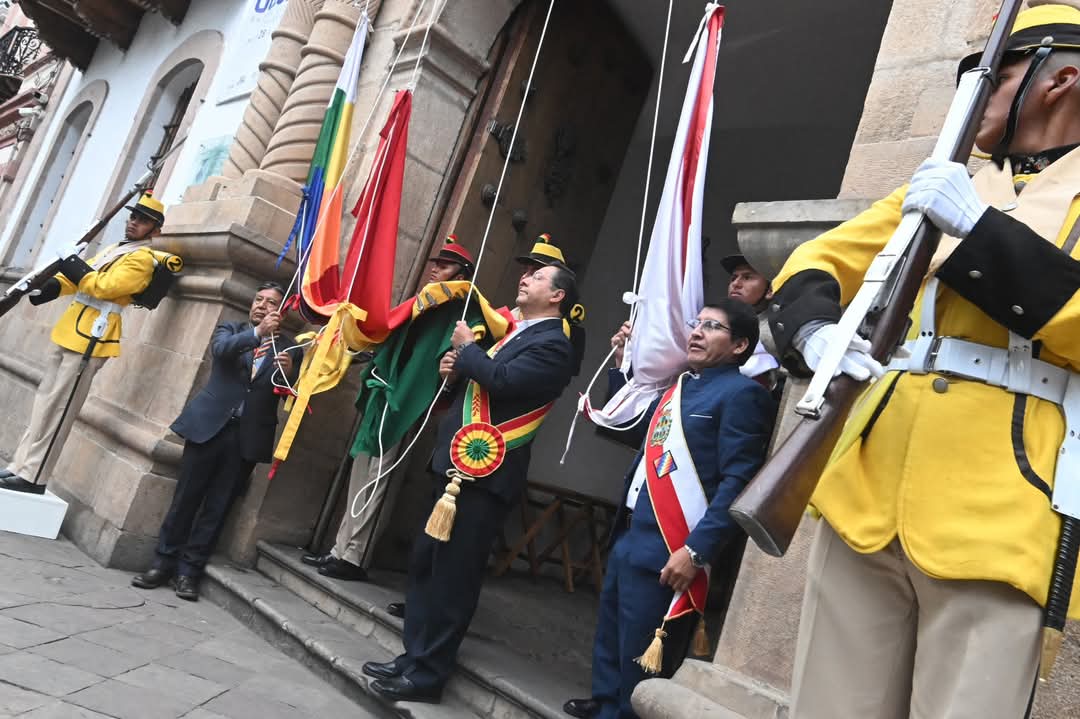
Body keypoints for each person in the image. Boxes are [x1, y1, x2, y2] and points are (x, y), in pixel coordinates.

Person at [768, 5, 1080, 717]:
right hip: (867, 490)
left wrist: (979, 232)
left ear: (1059, 80)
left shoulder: (970, 198)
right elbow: (820, 259)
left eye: (993, 76)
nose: (973, 96)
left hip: (1005, 512)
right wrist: (813, 329)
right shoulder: (952, 178)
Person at [361, 262, 579, 703]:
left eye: (538, 278)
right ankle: (413, 656)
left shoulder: (555, 344)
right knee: (426, 566)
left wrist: (467, 349)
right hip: (457, 465)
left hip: (486, 476)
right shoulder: (512, 334)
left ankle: (428, 674)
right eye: (526, 275)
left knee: (453, 578)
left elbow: (504, 382)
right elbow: (479, 386)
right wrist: (454, 371)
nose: (525, 279)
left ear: (557, 296)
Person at [565, 298, 775, 719]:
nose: (696, 331)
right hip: (631, 533)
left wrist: (697, 551)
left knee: (643, 652)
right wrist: (623, 367)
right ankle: (604, 703)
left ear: (739, 345)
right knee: (612, 636)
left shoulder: (743, 395)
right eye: (697, 323)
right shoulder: (680, 387)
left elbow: (737, 482)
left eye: (712, 326)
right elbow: (635, 436)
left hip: (671, 544)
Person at [301, 236, 484, 581]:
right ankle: (340, 549)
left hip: (407, 399)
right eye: (435, 263)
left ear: (462, 274)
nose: (435, 270)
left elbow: (467, 345)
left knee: (380, 476)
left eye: (444, 266)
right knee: (362, 470)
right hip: (384, 392)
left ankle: (355, 557)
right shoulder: (423, 301)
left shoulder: (465, 308)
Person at [130, 282, 303, 601]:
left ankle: (189, 573)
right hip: (208, 428)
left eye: (270, 303)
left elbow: (289, 395)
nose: (262, 306)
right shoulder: (231, 330)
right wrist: (258, 333)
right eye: (258, 299)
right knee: (185, 499)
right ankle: (161, 564)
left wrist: (290, 374)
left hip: (246, 438)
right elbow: (221, 352)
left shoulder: (290, 349)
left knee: (218, 508)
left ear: (282, 311)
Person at [0, 192, 178, 495]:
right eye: (134, 216)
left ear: (156, 230)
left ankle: (35, 477)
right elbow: (77, 279)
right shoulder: (116, 249)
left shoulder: (141, 259)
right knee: (45, 403)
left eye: (143, 220)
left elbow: (103, 286)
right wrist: (45, 286)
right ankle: (21, 466)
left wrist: (71, 261)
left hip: (92, 338)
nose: (134, 222)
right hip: (70, 331)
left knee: (60, 409)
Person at [720, 253, 780, 385]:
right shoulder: (712, 325)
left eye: (747, 277)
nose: (735, 284)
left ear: (770, 290)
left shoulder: (778, 333)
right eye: (733, 278)